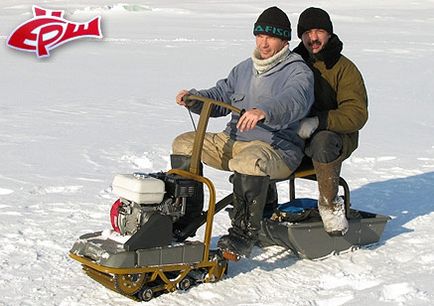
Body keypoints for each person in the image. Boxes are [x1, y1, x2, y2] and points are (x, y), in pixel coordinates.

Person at [172, 6, 314, 259]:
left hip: (277, 148)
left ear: (284, 40)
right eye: (259, 36)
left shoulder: (298, 71)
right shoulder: (244, 69)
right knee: (184, 143)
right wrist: (194, 99)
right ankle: (186, 214)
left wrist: (264, 111)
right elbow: (220, 95)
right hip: (233, 139)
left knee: (248, 161)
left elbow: (295, 100)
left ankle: (243, 235)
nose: (263, 43)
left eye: (270, 37)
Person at [293, 7, 368, 236]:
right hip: (296, 133)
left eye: (319, 31)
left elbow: (356, 113)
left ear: (329, 34)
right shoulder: (293, 63)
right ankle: (262, 206)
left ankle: (330, 205)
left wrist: (319, 121)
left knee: (322, 142)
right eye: (307, 32)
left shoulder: (344, 68)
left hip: (336, 136)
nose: (312, 38)